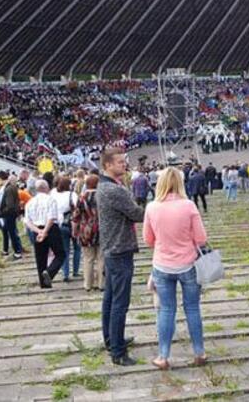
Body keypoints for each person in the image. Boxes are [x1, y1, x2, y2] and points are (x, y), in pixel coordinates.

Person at [143, 167, 208, 370]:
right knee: (192, 308)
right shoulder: (188, 206)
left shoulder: (151, 207)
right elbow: (201, 238)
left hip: (162, 265)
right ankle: (199, 352)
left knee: (166, 310)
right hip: (188, 264)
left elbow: (148, 240)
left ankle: (163, 356)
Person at [97, 147, 145, 366]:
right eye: (119, 162)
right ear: (107, 165)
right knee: (119, 302)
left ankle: (111, 339)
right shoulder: (114, 190)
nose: (124, 165)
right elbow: (137, 213)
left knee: (110, 299)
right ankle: (118, 351)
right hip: (119, 249)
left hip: (112, 248)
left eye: (124, 161)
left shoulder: (106, 185)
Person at [23, 180, 66, 288]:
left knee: (40, 256)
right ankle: (50, 272)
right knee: (60, 254)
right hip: (51, 229)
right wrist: (45, 231)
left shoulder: (30, 202)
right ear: (46, 188)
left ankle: (43, 283)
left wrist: (38, 231)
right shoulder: (51, 200)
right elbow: (51, 218)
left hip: (37, 228)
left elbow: (27, 221)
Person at [72, 175, 105, 291]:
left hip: (86, 229)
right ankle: (101, 284)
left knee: (88, 258)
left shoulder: (82, 198)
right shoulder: (103, 196)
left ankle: (88, 284)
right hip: (102, 228)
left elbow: (76, 216)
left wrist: (74, 231)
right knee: (101, 257)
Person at [52, 176, 81, 282]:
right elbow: (77, 208)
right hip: (73, 222)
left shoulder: (53, 195)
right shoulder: (72, 194)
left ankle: (65, 273)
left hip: (60, 224)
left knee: (65, 250)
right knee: (77, 248)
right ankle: (76, 271)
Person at [0, 172, 23, 260]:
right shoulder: (11, 187)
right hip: (11, 213)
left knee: (12, 233)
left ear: (1, 179)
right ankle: (6, 249)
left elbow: (10, 205)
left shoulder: (8, 189)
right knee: (5, 230)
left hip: (9, 214)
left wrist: (2, 212)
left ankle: (17, 252)